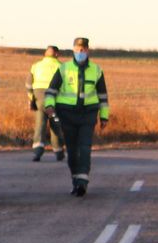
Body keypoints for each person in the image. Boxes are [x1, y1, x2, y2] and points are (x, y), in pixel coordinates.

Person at [44, 37, 110, 196]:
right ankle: (76, 179)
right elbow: (51, 91)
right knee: (72, 151)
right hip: (67, 114)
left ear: (88, 50)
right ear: (73, 50)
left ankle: (82, 181)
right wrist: (50, 108)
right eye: (78, 49)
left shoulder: (96, 70)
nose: (80, 52)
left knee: (85, 148)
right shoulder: (64, 69)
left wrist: (104, 116)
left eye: (83, 49)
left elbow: (102, 95)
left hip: (88, 114)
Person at [27, 45, 67, 162]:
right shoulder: (62, 67)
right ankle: (59, 152)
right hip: (55, 99)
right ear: (57, 54)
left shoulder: (36, 66)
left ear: (45, 53)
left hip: (39, 98)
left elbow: (28, 84)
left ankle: (37, 152)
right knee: (56, 125)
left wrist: (31, 99)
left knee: (40, 124)